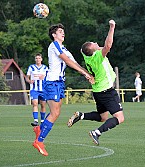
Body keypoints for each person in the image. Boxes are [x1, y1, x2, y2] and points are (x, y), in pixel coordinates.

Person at [32, 23, 94, 156]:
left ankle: (39, 129)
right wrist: (85, 74)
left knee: (57, 111)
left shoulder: (63, 48)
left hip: (59, 83)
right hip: (52, 83)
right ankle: (39, 141)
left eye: (63, 31)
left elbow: (74, 62)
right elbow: (67, 61)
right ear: (54, 35)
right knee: (55, 114)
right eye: (60, 31)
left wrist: (87, 74)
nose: (63, 33)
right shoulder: (54, 45)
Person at [67, 19, 124, 146]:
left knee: (103, 117)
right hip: (107, 91)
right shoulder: (97, 57)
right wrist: (112, 27)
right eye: (93, 44)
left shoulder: (86, 55)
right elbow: (108, 46)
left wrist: (93, 47)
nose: (95, 43)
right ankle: (96, 133)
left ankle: (81, 116)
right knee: (120, 118)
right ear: (94, 51)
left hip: (98, 91)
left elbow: (84, 49)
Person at [25, 53, 48, 126]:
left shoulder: (45, 68)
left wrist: (44, 77)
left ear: (41, 59)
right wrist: (29, 81)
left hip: (43, 89)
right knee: (34, 103)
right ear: (35, 59)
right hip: (34, 89)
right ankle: (35, 120)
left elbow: (49, 77)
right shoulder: (31, 67)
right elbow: (27, 77)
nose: (38, 60)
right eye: (36, 58)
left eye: (39, 58)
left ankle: (42, 120)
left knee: (43, 105)